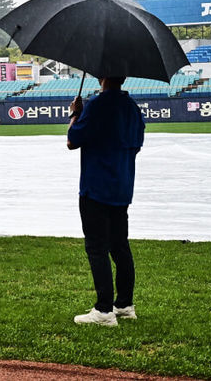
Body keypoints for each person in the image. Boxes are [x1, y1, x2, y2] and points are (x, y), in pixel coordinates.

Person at [66, 76, 145, 327]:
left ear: (102, 77)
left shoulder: (96, 105)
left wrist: (75, 115)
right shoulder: (132, 107)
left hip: (96, 186)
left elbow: (72, 141)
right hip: (122, 185)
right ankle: (124, 304)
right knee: (120, 246)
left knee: (97, 247)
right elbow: (138, 144)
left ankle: (103, 310)